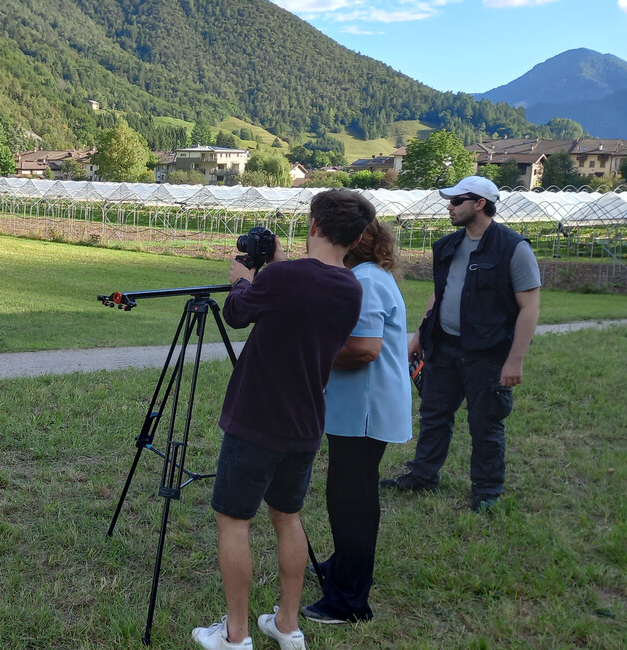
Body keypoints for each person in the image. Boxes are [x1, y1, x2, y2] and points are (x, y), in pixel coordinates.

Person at [191, 189, 372, 650]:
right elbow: (306, 292)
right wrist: (274, 268)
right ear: (354, 238)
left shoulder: (285, 277)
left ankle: (235, 636)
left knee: (234, 521)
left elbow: (236, 313)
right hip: (306, 423)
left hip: (257, 419)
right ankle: (288, 626)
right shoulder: (351, 288)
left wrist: (242, 279)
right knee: (288, 518)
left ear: (313, 225)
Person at [381, 175, 540, 512]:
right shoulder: (448, 245)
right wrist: (420, 336)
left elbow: (529, 307)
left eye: (456, 201)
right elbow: (439, 295)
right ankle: (423, 475)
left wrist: (515, 360)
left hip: (487, 354)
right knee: (434, 415)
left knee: (485, 423)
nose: (449, 207)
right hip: (444, 348)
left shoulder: (513, 248)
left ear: (479, 204)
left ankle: (487, 490)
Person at [302, 220, 411, 626]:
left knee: (351, 503)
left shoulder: (365, 281)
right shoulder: (367, 276)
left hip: (365, 411)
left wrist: (311, 355)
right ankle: (345, 566)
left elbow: (364, 349)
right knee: (353, 498)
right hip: (361, 410)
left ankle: (348, 600)